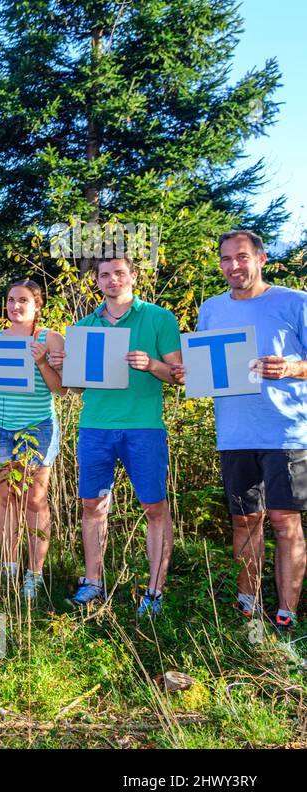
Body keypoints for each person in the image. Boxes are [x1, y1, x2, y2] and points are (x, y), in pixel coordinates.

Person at [174, 230, 307, 635]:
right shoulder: (211, 309)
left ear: (261, 259)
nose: (235, 265)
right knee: (244, 521)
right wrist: (189, 374)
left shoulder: (294, 302)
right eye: (227, 259)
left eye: (243, 257)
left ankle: (286, 615)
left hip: (285, 432)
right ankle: (247, 608)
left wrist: (292, 368)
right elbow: (210, 371)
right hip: (234, 433)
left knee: (285, 523)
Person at [49, 256, 182, 616]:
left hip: (144, 428)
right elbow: (75, 388)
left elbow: (180, 375)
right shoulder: (83, 326)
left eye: (119, 273)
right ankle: (93, 583)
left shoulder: (158, 318)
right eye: (105, 275)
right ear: (97, 281)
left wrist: (152, 365)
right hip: (95, 426)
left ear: (133, 277)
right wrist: (62, 368)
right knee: (93, 506)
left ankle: (154, 592)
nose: (112, 280)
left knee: (154, 508)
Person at [0, 280, 66, 599]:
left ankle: (34, 574)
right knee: (6, 496)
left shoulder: (50, 338)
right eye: (11, 300)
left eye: (23, 300)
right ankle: (9, 567)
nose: (15, 306)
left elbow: (62, 389)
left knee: (34, 499)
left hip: (36, 427)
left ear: (37, 304)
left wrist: (41, 362)